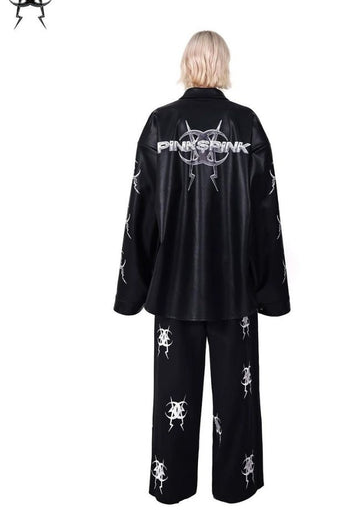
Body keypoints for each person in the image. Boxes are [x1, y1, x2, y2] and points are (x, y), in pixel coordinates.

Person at [113, 30, 291, 504]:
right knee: (236, 398)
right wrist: (270, 292)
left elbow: (140, 211)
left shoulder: (160, 124)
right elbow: (266, 214)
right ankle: (236, 487)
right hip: (235, 292)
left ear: (187, 63)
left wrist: (132, 291)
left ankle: (171, 487)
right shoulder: (246, 125)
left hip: (173, 292)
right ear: (223, 64)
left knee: (173, 397)